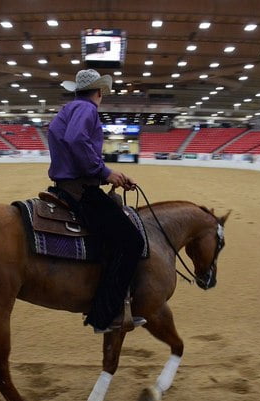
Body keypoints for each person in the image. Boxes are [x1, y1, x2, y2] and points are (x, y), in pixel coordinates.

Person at [46, 69, 146, 334]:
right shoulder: (87, 109)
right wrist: (105, 172)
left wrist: (110, 176)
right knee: (132, 242)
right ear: (99, 92)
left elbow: (71, 148)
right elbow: (76, 140)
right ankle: (106, 315)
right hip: (82, 191)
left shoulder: (68, 110)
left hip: (68, 186)